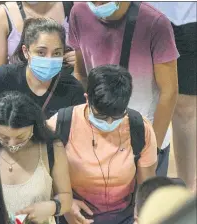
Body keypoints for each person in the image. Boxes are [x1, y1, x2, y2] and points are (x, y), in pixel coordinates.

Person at [68, 2, 179, 177]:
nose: (97, 4)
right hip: (99, 136)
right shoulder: (79, 12)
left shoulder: (155, 23)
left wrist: (153, 149)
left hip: (143, 135)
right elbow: (81, 73)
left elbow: (169, 92)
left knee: (146, 202)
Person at [47, 65, 157, 224]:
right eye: (100, 116)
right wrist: (64, 204)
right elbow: (42, 178)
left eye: (117, 116)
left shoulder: (140, 128)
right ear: (86, 98)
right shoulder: (61, 125)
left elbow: (146, 186)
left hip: (124, 220)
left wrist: (143, 219)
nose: (109, 123)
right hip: (74, 218)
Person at [0, 91, 72, 224]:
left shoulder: (52, 148)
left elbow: (66, 197)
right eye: (3, 137)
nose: (12, 144)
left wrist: (52, 207)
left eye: (20, 137)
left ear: (35, 126)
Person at [0, 18, 85, 119]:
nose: (49, 59)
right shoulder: (1, 79)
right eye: (41, 52)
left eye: (56, 53)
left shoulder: (73, 89)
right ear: (26, 51)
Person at [148, 2, 197, 192]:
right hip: (135, 12)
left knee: (185, 109)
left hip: (186, 16)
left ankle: (187, 192)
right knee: (137, 97)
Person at [0, 1, 76, 71]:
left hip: (65, 85)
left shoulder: (73, 7)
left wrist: (80, 60)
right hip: (18, 89)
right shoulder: (1, 15)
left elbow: (86, 57)